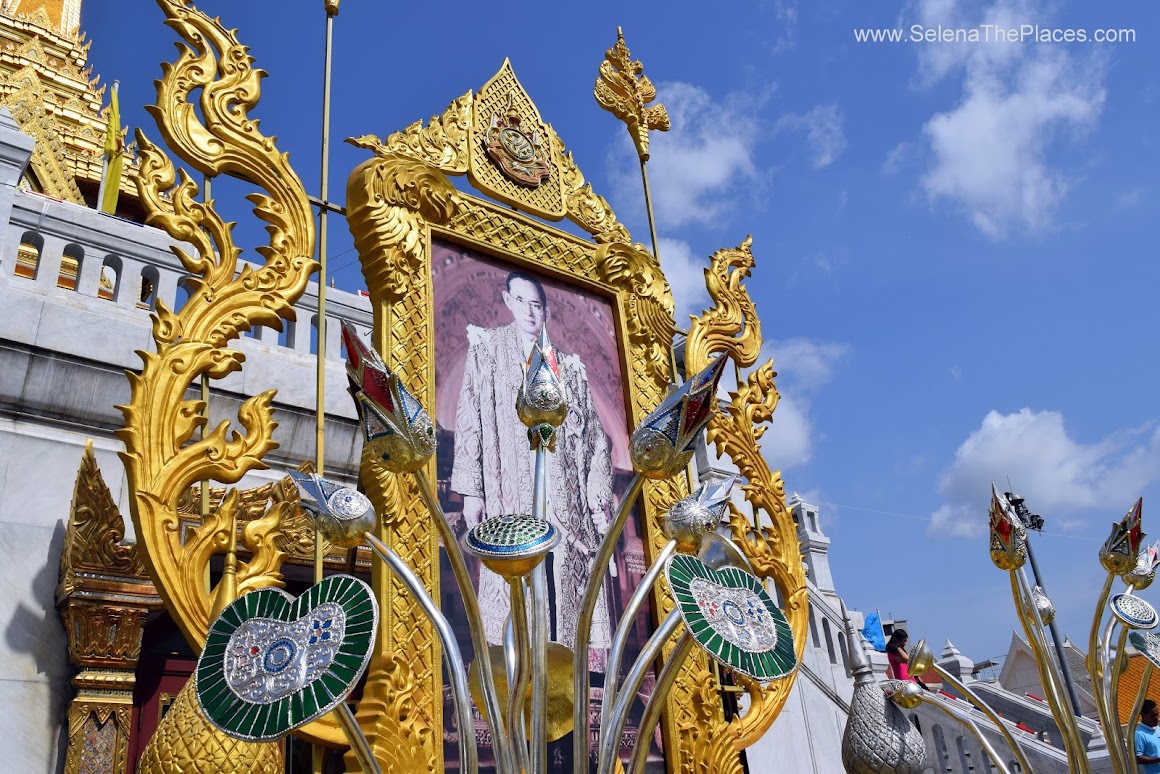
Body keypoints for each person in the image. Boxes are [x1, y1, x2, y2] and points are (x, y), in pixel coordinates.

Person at [451, 270, 614, 662]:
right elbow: (470, 415)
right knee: (515, 585)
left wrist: (597, 504)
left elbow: (595, 439)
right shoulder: (488, 349)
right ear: (508, 301)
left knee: (564, 586)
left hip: (566, 508)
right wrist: (472, 491)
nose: (529, 311)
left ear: (546, 311)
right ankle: (515, 666)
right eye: (521, 301)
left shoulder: (570, 368)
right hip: (510, 494)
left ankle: (563, 671)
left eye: (537, 304)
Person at [1137, 699, 1160, 773]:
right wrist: (1158, 760)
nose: (1157, 718)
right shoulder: (1139, 734)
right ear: (1144, 715)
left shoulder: (1157, 728)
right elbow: (1138, 758)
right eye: (1153, 715)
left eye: (1157, 714)